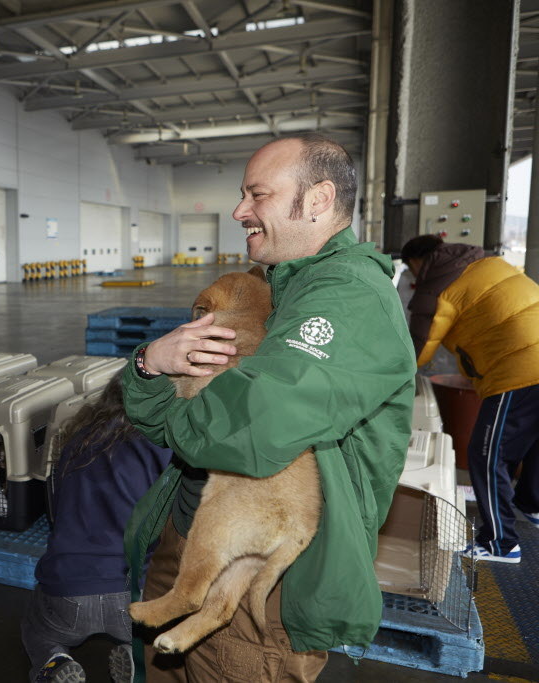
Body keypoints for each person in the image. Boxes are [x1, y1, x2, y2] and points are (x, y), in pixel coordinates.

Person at [121, 133, 417, 681]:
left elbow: (248, 432)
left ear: (319, 200)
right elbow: (170, 421)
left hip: (269, 578)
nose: (239, 211)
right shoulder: (278, 290)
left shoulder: (349, 298)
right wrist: (149, 365)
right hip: (194, 537)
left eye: (257, 195)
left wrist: (188, 409)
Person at [21, 376, 173, 683]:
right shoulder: (164, 446)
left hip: (67, 591)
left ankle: (52, 661)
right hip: (131, 596)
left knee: (34, 626)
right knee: (146, 620)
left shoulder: (77, 441)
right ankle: (134, 653)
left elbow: (55, 512)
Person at [400, 234, 539, 564]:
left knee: (488, 454)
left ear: (418, 261)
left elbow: (416, 349)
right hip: (530, 357)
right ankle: (531, 505)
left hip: (521, 366)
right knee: (534, 441)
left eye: (410, 268)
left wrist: (380, 376)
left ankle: (499, 543)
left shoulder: (438, 281)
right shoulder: (485, 262)